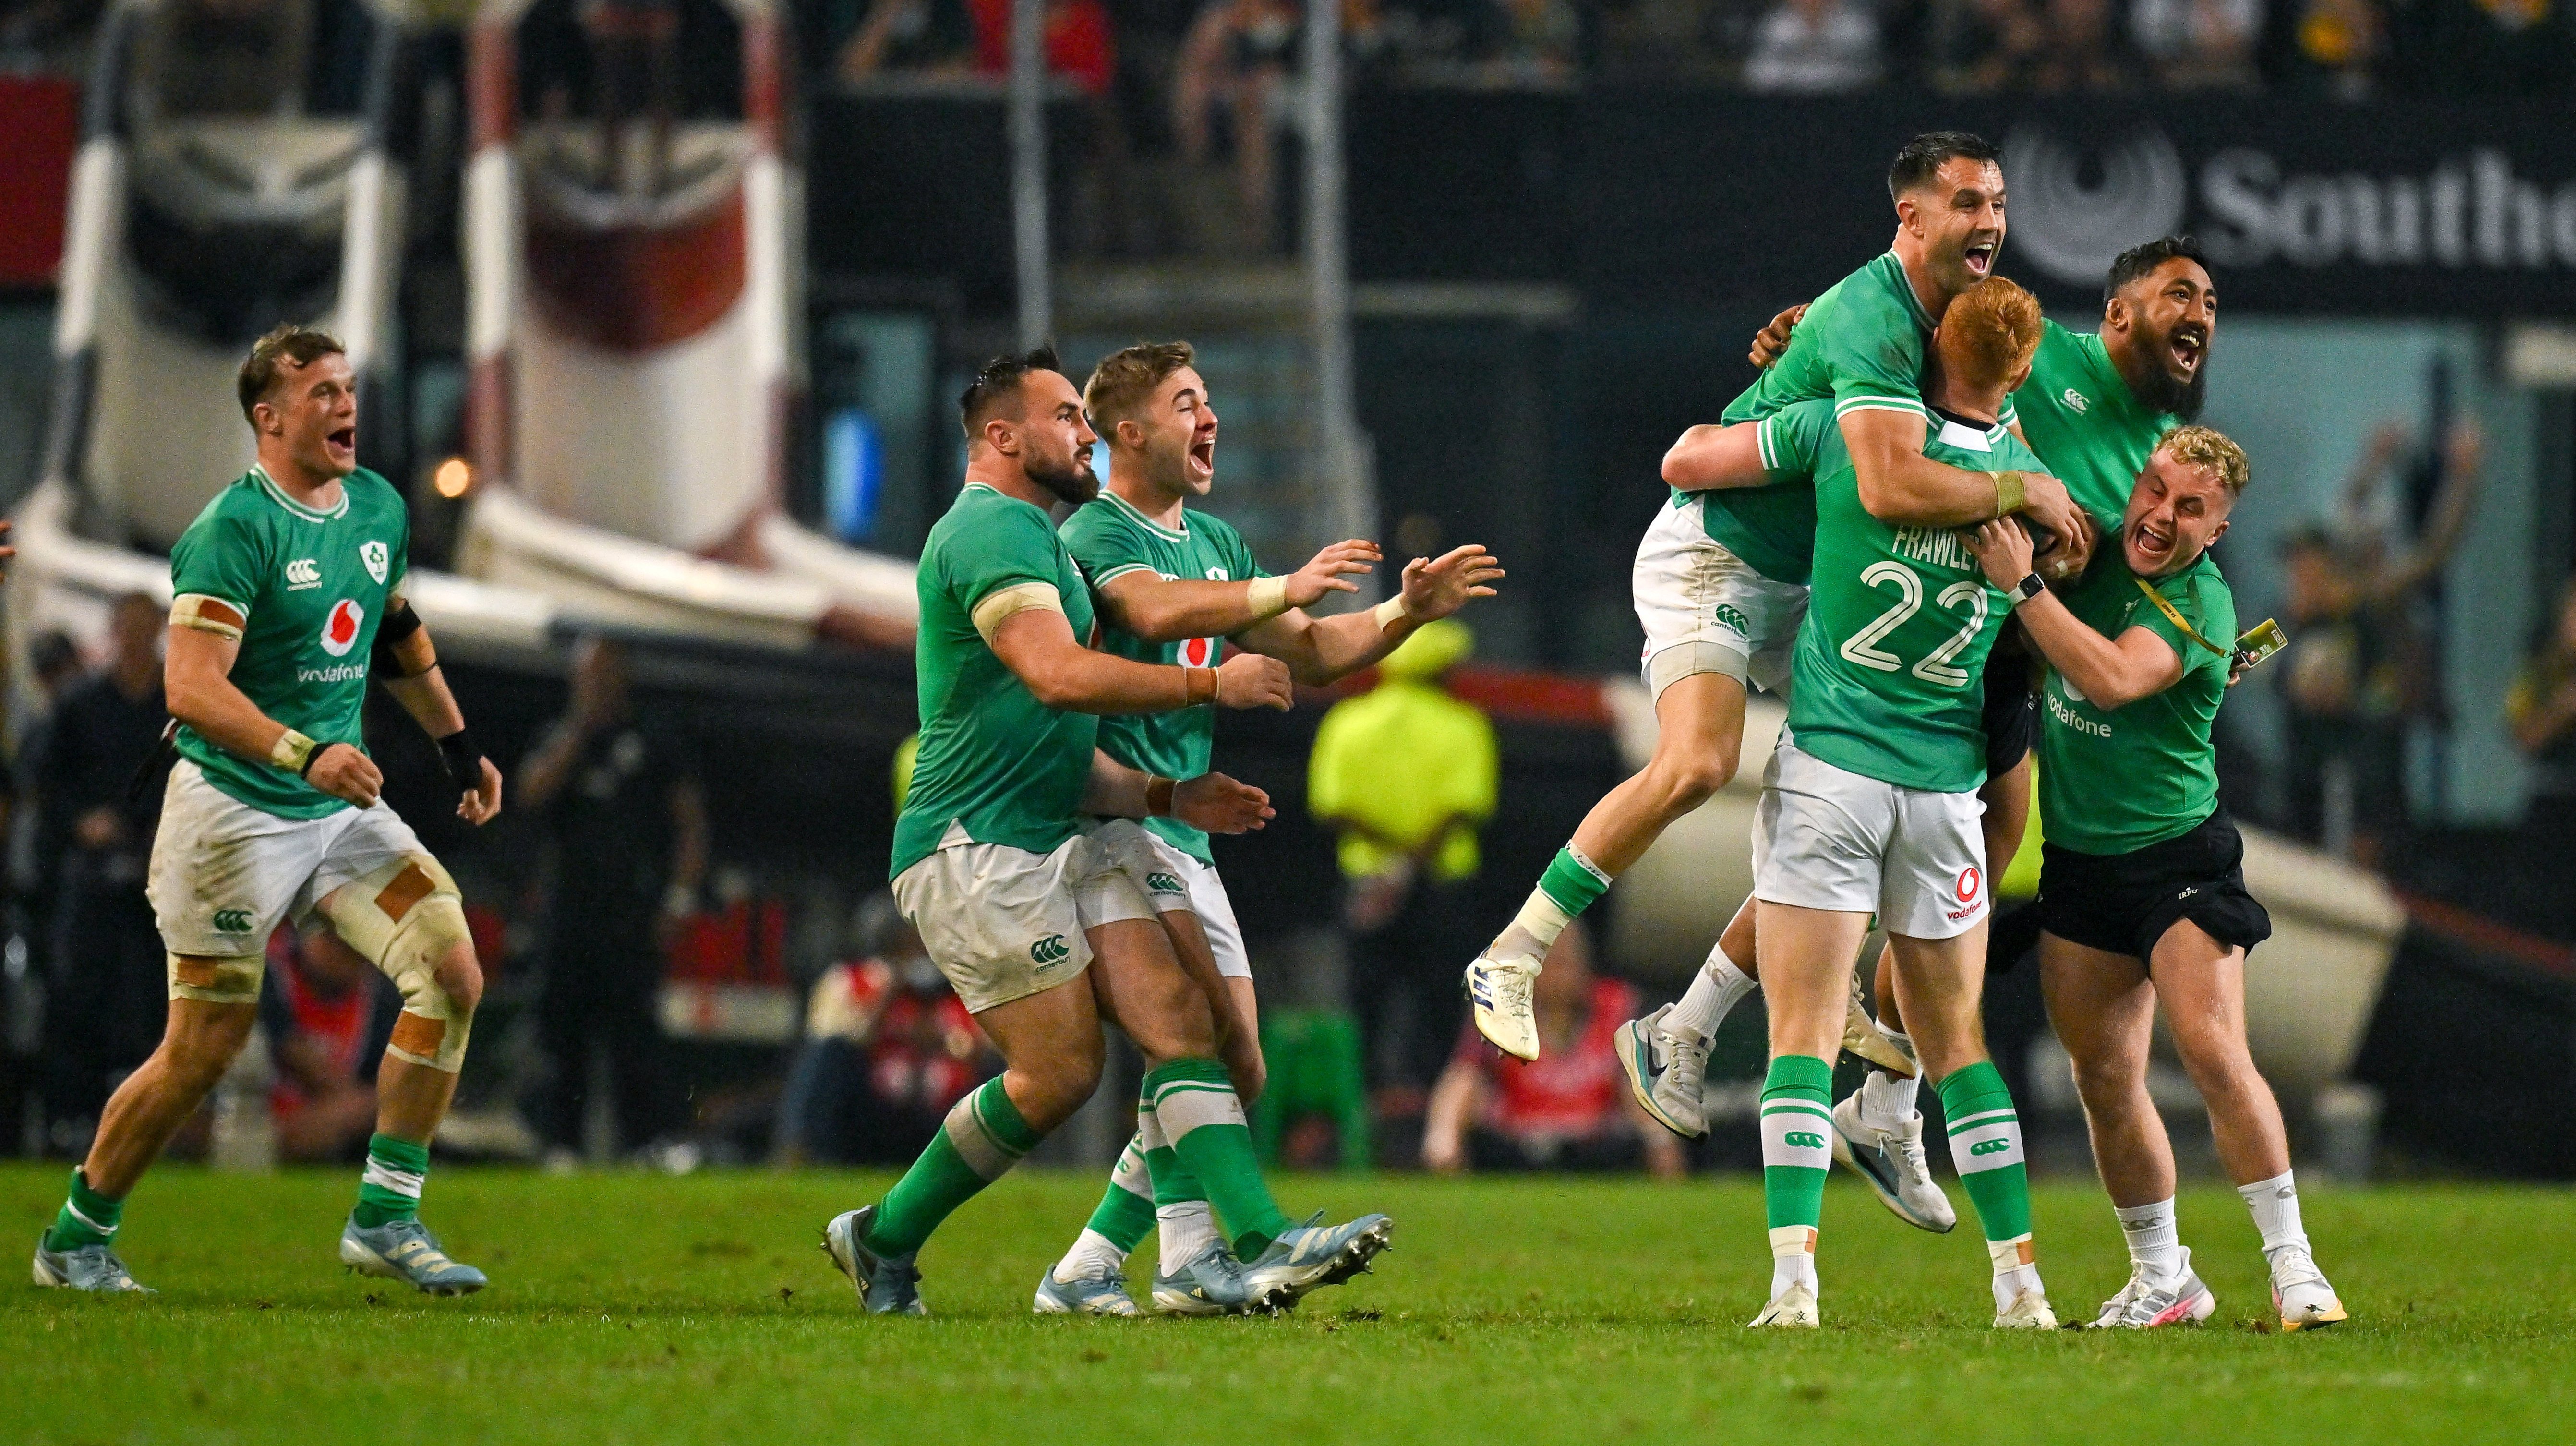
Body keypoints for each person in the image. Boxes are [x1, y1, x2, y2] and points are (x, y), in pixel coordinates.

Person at [1471, 131, 2082, 1111]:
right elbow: (1873, 482)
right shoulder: (1871, 320)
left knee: (1879, 781)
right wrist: (2024, 490)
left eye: (1999, 203)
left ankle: (1695, 1027)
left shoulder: (1954, 337)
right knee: (1702, 763)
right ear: (1911, 217)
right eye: (1968, 203)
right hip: (1717, 558)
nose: (1992, 223)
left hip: (1810, 585)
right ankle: (1516, 951)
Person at [1643, 233, 2223, 1227]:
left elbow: (2140, 567)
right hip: (1943, 637)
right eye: (2180, 295)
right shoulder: (2044, 353)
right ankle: (1791, 1064)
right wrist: (1808, 341)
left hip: (2009, 648)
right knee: (1899, 871)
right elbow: (1929, 339)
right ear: (2119, 313)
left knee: (1956, 874)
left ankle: (1865, 1094)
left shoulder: (2165, 457)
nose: (2200, 316)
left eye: (2211, 303)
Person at [820, 347, 1393, 1317]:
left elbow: (1054, 735)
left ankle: (1228, 1247)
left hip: (1052, 827)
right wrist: (1211, 682)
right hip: (977, 843)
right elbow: (1060, 678)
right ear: (1002, 437)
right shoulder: (995, 529)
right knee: (1062, 1072)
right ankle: (891, 1235)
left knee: (1176, 1026)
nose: (1079, 431)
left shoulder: (1036, 540)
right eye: (1060, 417)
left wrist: (1166, 798)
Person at [33, 324, 506, 1296]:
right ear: (269, 415)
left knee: (451, 972)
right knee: (203, 1047)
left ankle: (385, 1215)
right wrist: (306, 751)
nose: (346, 407)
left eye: (348, 389)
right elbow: (191, 689)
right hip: (234, 815)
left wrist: (458, 747)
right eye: (323, 392)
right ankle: (77, 1236)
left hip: (337, 813)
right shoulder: (232, 530)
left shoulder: (373, 505)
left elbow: (395, 629)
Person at [1037, 338, 1499, 1316]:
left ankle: (1092, 1268)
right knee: (1187, 1041)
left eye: (1207, 401)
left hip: (1183, 833)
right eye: (1187, 404)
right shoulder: (1093, 541)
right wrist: (1281, 586)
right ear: (1130, 433)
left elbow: (1322, 652)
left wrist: (1404, 613)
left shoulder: (1214, 544)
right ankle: (1236, 1244)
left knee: (1233, 1065)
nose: (1209, 421)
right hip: (1111, 816)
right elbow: (1152, 613)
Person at [1677, 277, 2062, 1328]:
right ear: (2019, 374)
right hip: (1944, 791)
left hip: (1835, 772)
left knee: (1800, 1035)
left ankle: (1793, 1286)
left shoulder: (1861, 442)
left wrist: (1781, 366)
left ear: (1928, 345)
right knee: (1961, 1048)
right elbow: (2067, 545)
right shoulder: (2027, 489)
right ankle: (2018, 1284)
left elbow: (1695, 458)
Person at [1964, 424, 2349, 1332]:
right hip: (2083, 867)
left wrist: (2018, 584)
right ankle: (2162, 1276)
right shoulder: (2090, 548)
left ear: (2215, 532)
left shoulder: (2203, 604)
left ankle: (2296, 1269)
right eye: (2155, 490)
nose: (2161, 516)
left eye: (2190, 510)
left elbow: (2106, 678)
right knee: (2102, 1074)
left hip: (2178, 858)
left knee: (2212, 1049)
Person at [514, 634, 707, 1166]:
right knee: (561, 1031)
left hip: (634, 914)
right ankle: (561, 1145)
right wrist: (578, 731)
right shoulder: (559, 735)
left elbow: (688, 822)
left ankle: (646, 1143)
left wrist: (680, 898)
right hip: (568, 912)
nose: (595, 685)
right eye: (587, 675)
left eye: (604, 674)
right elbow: (530, 794)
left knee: (635, 1035)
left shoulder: (653, 739)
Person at [1312, 620, 1498, 1094]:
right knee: (1440, 1004)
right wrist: (1414, 859)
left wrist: (1389, 858)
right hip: (1442, 885)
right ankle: (1434, 1110)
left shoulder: (1346, 721)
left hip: (1366, 885)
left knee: (1365, 1004)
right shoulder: (1464, 725)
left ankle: (1363, 1112)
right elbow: (1465, 808)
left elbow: (1332, 807)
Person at [30, 594, 170, 1145]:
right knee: (80, 995)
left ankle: (143, 1123)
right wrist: (81, 822)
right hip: (91, 875)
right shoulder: (80, 703)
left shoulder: (179, 704)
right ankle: (71, 1118)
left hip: (157, 874)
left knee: (151, 998)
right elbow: (46, 782)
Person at [1422, 921, 1685, 1178]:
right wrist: (1444, 1137)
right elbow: (1465, 1075)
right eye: (1551, 960)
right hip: (1515, 1143)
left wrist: (1661, 1142)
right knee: (1465, 1079)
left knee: (1639, 1081)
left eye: (1568, 960)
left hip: (1596, 1145)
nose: (1560, 971)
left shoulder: (1617, 1008)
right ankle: (1443, 1156)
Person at [777, 897, 994, 1166]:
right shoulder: (851, 981)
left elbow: (983, 1049)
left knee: (997, 1071)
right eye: (907, 940)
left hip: (944, 1116)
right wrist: (888, 997)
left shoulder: (962, 988)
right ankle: (800, 1152)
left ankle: (1008, 1163)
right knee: (827, 1056)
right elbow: (836, 1043)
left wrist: (939, 1041)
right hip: (873, 1112)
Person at [260, 920, 401, 1163]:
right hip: (254, 1118)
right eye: (333, 941)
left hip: (333, 1128)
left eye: (354, 947)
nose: (343, 954)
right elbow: (290, 1050)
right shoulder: (270, 980)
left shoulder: (383, 1003)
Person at [1742, 0, 1884, 92]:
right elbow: (1758, 73)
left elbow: (1869, 74)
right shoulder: (1776, 27)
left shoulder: (1856, 27)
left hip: (1846, 107)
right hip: (1787, 107)